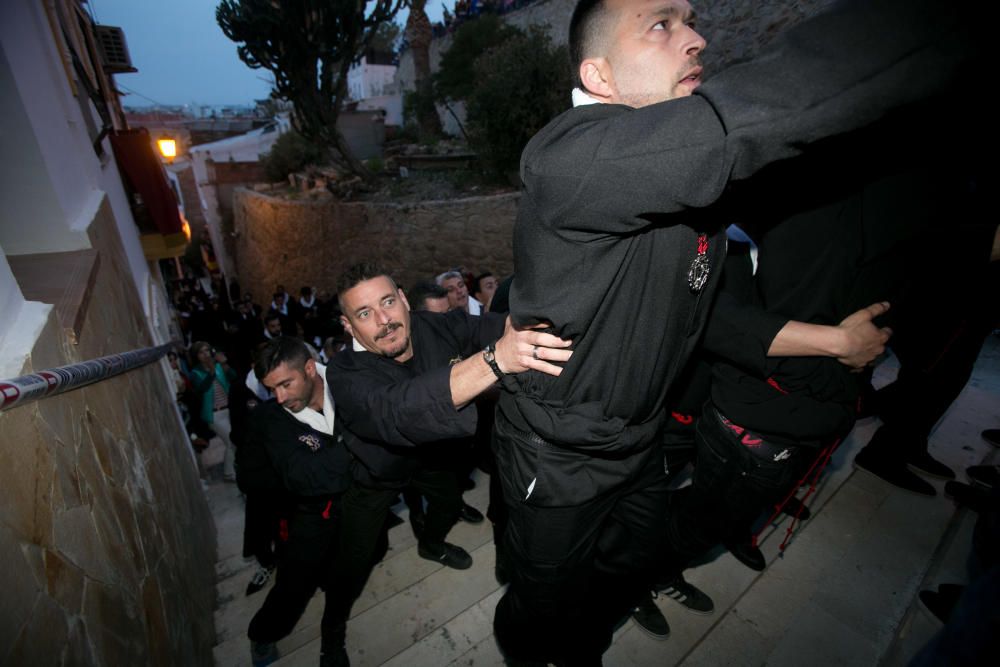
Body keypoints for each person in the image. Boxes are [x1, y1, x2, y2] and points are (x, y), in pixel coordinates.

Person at [491, 0, 979, 663]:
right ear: (599, 76)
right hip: (557, 454)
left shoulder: (690, 186)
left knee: (628, 560)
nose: (696, 38)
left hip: (640, 439)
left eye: (691, 20)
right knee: (540, 594)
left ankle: (583, 639)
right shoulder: (568, 159)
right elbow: (735, 125)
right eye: (662, 24)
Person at [325, 262, 572, 636]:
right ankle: (333, 626)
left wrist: (545, 327)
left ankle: (431, 542)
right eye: (364, 313)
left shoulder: (432, 323)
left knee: (447, 503)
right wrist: (494, 360)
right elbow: (399, 411)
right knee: (355, 558)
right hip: (378, 474)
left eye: (388, 302)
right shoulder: (343, 372)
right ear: (348, 325)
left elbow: (492, 327)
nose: (384, 320)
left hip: (434, 459)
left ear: (404, 299)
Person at [244, 337, 353, 667]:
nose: (279, 397)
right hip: (307, 519)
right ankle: (262, 635)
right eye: (270, 389)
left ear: (309, 369)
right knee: (293, 586)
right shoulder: (270, 419)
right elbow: (302, 477)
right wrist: (358, 446)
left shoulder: (348, 381)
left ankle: (332, 639)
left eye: (285, 384)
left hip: (356, 509)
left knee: (346, 577)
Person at [189, 341, 238, 482]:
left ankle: (233, 468)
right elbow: (201, 389)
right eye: (201, 352)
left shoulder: (218, 366)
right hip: (214, 414)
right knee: (231, 442)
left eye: (207, 350)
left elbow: (233, 377)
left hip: (229, 408)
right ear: (196, 356)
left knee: (234, 441)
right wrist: (211, 373)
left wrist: (224, 364)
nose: (205, 354)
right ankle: (229, 473)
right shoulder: (195, 373)